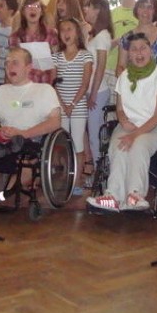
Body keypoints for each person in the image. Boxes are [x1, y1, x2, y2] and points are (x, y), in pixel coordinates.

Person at [87, 33, 157, 212]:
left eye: (143, 48)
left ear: (150, 50)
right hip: (128, 125)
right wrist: (123, 121)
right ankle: (113, 195)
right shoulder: (124, 76)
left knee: (138, 145)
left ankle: (135, 195)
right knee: (118, 145)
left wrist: (134, 135)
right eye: (134, 49)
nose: (139, 53)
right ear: (128, 54)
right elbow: (119, 108)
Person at [0, 48, 62, 183]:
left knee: (6, 187)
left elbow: (55, 122)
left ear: (29, 68)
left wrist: (23, 133)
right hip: (4, 139)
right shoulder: (0, 91)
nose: (9, 67)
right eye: (7, 63)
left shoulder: (45, 90)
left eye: (15, 63)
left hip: (30, 140)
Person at [52, 18, 93, 194]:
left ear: (77, 32)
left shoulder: (86, 55)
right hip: (61, 106)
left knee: (77, 143)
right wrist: (63, 105)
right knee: (61, 143)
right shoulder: (56, 56)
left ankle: (77, 181)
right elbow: (53, 83)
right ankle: (64, 176)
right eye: (63, 30)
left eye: (70, 29)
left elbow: (84, 84)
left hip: (78, 106)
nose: (66, 33)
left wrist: (73, 104)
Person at [82, 0, 113, 185]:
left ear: (98, 10)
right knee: (92, 133)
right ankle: (98, 170)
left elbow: (100, 66)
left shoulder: (102, 36)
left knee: (95, 134)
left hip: (98, 91)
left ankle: (99, 174)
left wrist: (93, 93)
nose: (85, 9)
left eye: (89, 6)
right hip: (91, 90)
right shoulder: (94, 34)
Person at [9, 0, 59, 84]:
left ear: (42, 11)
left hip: (45, 86)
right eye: (28, 7)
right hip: (23, 87)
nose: (33, 9)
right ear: (23, 11)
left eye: (37, 6)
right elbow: (12, 65)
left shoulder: (52, 34)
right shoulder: (15, 37)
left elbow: (55, 64)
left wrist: (53, 87)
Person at [116, 0, 157, 74]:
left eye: (149, 7)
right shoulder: (127, 38)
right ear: (136, 10)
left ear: (155, 11)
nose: (145, 11)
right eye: (142, 6)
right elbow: (121, 66)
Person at [109, 0, 138, 78]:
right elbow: (105, 44)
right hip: (111, 68)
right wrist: (117, 41)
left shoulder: (143, 13)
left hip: (136, 68)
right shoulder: (111, 14)